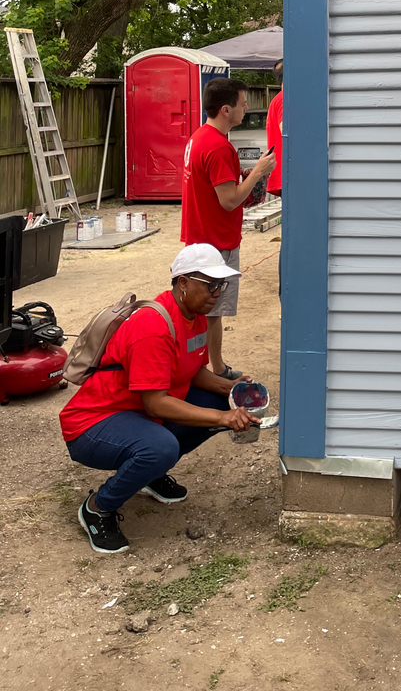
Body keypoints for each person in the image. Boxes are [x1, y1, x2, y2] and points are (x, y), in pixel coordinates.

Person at [60, 244, 259, 554]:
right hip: (94, 423)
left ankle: (149, 474)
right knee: (161, 447)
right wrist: (223, 419)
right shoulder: (153, 326)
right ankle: (98, 508)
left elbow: (190, 370)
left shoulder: (195, 316)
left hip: (137, 412)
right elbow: (156, 403)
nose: (217, 293)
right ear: (183, 283)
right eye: (210, 284)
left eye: (221, 285)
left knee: (221, 402)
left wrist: (227, 388)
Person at [181, 77, 276, 379]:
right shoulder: (218, 147)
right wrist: (259, 171)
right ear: (226, 109)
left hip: (200, 238)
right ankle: (215, 370)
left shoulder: (199, 138)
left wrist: (244, 176)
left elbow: (214, 189)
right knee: (212, 312)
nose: (247, 108)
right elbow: (229, 200)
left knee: (202, 311)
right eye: (243, 103)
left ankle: (205, 367)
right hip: (215, 244)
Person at [266, 60, 284, 297]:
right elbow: (289, 131)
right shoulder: (285, 98)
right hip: (290, 179)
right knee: (292, 239)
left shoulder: (277, 99)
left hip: (283, 178)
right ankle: (286, 298)